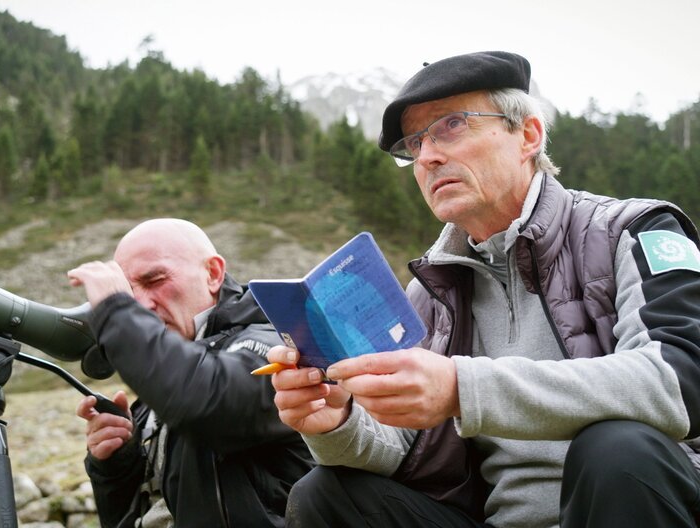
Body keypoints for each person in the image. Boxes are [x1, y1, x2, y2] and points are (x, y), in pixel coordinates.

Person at [267, 51, 700, 528]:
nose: (427, 156)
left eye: (452, 125)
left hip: (630, 500)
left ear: (528, 136)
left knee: (616, 450)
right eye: (414, 143)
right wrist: (337, 422)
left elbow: (682, 378)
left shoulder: (633, 231)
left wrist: (462, 387)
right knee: (325, 495)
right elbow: (411, 454)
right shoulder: (432, 291)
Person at [67, 218, 314, 528]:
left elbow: (210, 404)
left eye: (154, 279)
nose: (141, 304)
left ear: (212, 273)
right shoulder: (161, 389)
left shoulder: (274, 339)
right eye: (129, 292)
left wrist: (115, 311)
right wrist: (117, 465)